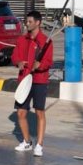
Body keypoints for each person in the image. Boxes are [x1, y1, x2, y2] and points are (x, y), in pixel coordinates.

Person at [12, 11, 53, 157]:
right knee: (21, 112)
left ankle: (39, 145)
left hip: (39, 80)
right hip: (24, 80)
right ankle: (27, 141)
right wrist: (19, 63)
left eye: (30, 22)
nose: (27, 24)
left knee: (39, 112)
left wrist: (40, 65)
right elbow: (14, 56)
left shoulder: (45, 41)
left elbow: (48, 61)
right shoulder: (22, 40)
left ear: (38, 22)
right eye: (26, 22)